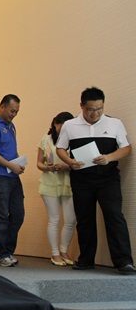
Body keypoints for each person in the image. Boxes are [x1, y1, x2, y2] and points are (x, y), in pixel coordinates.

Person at [56, 87, 135, 274]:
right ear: (82, 106)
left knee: (114, 216)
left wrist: (109, 157)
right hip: (81, 179)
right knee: (85, 219)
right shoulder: (70, 125)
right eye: (90, 109)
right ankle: (86, 259)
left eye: (99, 109)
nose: (95, 113)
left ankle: (124, 261)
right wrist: (70, 162)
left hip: (108, 178)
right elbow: (60, 148)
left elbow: (126, 148)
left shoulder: (114, 123)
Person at [0, 94, 25, 267]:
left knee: (18, 214)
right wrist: (10, 165)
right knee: (1, 215)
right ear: (2, 107)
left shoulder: (11, 126)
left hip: (13, 175)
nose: (13, 115)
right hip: (0, 176)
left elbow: (10, 150)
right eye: (11, 111)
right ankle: (2, 254)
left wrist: (18, 164)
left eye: (16, 112)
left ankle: (6, 250)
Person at [37, 112, 76, 266]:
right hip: (50, 181)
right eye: (61, 125)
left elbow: (79, 162)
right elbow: (39, 163)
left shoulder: (74, 140)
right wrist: (47, 167)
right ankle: (55, 253)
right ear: (55, 124)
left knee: (71, 220)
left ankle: (64, 251)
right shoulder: (46, 139)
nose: (64, 129)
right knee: (55, 219)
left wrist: (66, 166)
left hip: (69, 181)